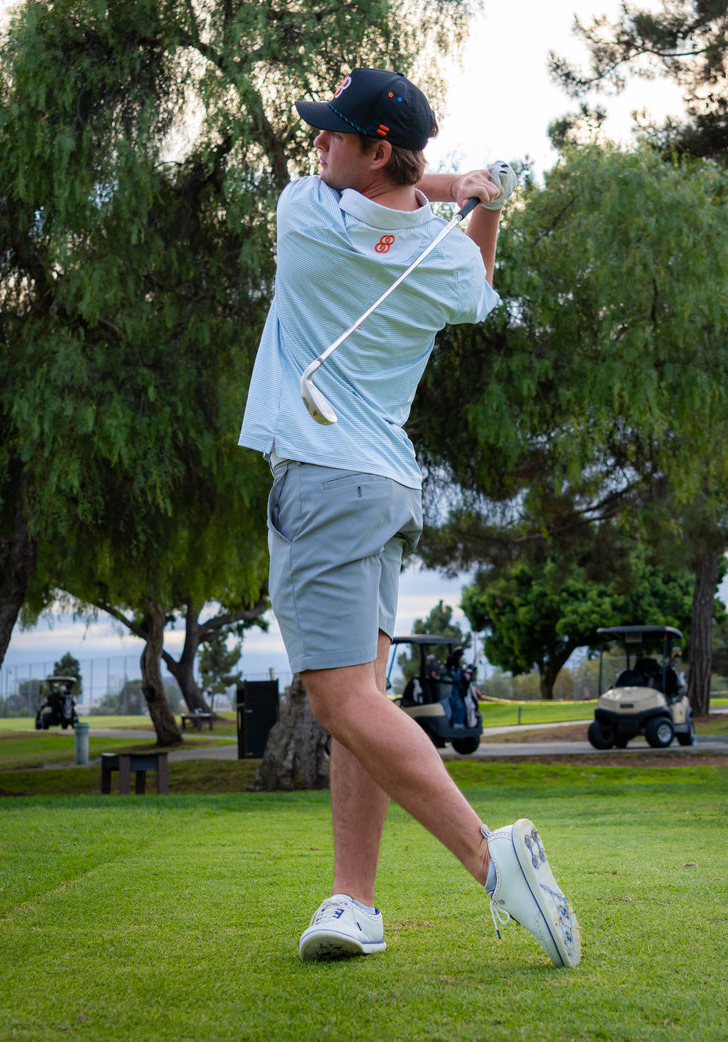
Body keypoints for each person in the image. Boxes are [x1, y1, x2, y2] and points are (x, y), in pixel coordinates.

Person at [239, 67, 580, 968]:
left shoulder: (302, 219)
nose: (318, 144)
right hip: (386, 486)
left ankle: (487, 854)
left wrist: (444, 183)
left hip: (320, 478)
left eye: (334, 134)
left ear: (375, 150)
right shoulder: (446, 261)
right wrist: (477, 199)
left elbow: (379, 199)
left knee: (337, 697)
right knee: (365, 700)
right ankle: (355, 902)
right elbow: (471, 277)